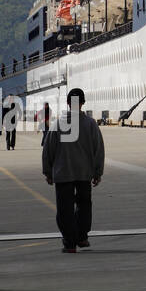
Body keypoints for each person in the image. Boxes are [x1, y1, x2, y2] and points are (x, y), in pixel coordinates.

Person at [43, 89, 104, 253]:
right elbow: (98, 149)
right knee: (84, 206)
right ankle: (82, 237)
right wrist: (98, 172)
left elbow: (48, 149)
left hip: (63, 174)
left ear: (68, 103)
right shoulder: (90, 124)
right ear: (83, 102)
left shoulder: (57, 123)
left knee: (65, 209)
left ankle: (70, 243)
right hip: (84, 173)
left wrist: (48, 171)